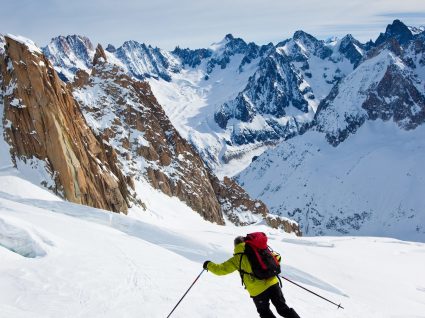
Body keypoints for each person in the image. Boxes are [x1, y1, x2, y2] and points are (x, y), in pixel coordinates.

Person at [203, 236, 301, 318]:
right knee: (283, 308)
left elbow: (221, 270)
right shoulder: (260, 250)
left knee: (265, 313)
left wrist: (208, 264)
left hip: (258, 292)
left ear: (235, 246)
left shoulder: (237, 258)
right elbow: (277, 258)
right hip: (273, 284)